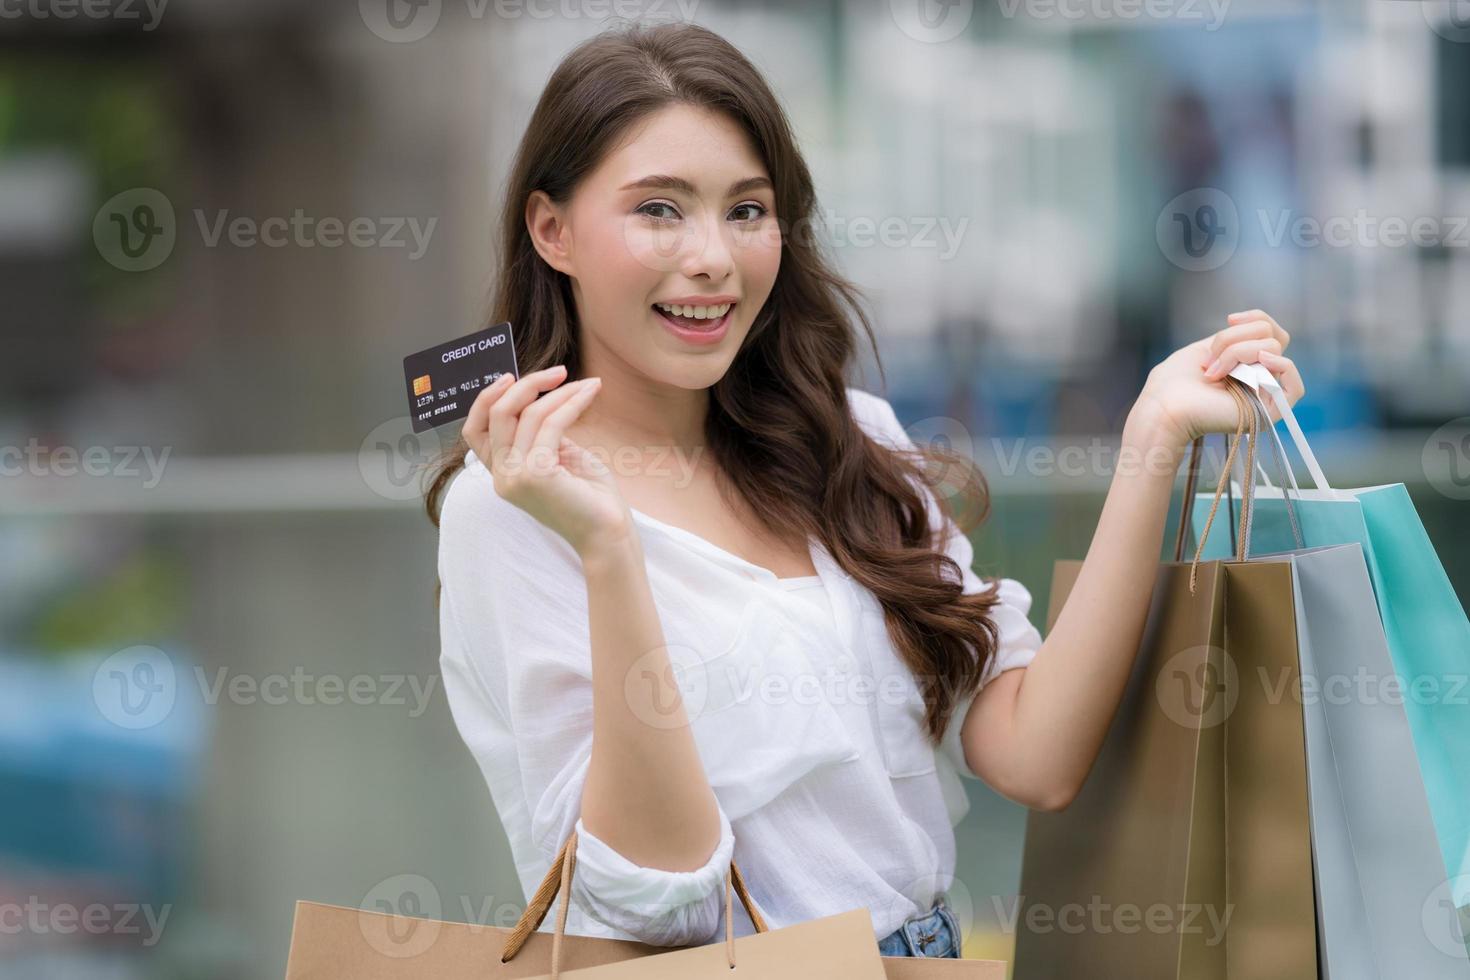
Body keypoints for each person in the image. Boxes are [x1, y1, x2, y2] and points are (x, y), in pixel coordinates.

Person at [424, 20, 1306, 960]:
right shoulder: (515, 509)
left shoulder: (848, 441)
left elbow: (1034, 753)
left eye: (747, 209)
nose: (714, 257)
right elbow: (654, 901)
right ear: (551, 230)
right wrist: (608, 551)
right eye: (659, 209)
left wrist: (1153, 437)